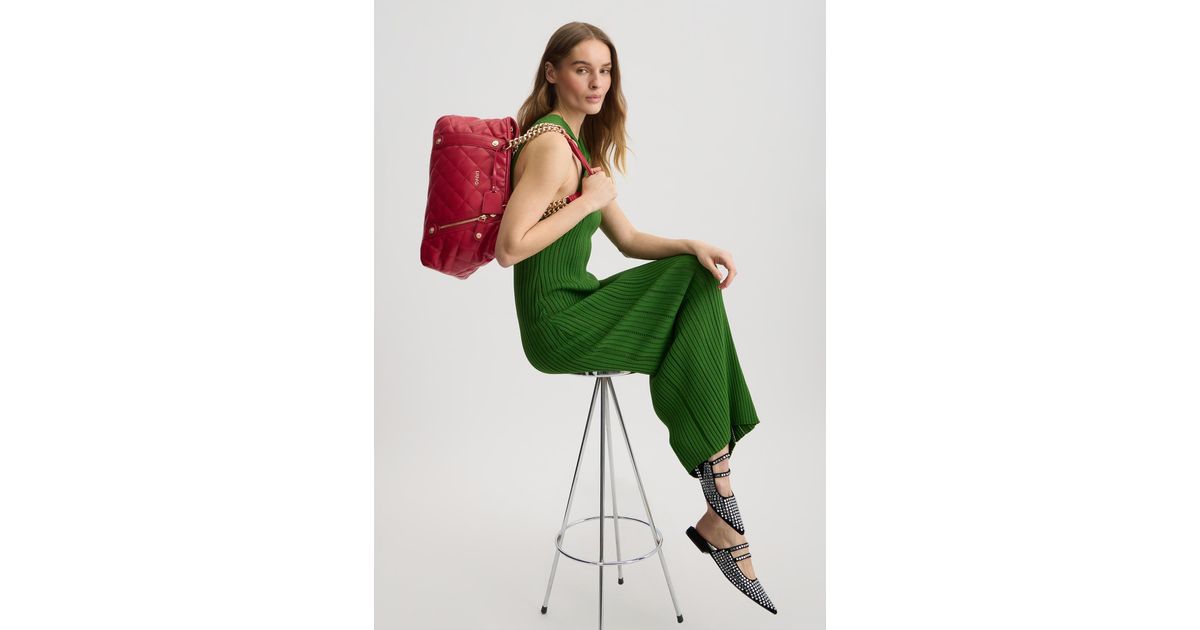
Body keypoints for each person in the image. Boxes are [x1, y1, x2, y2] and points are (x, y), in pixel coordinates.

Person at [494, 22, 777, 615]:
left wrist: (691, 243)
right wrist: (587, 202)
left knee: (693, 277)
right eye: (582, 69)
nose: (597, 82)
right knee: (690, 290)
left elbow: (626, 240)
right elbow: (510, 248)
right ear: (552, 73)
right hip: (558, 325)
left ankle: (719, 495)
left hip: (581, 304)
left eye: (605, 71)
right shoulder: (549, 145)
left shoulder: (580, 148)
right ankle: (721, 498)